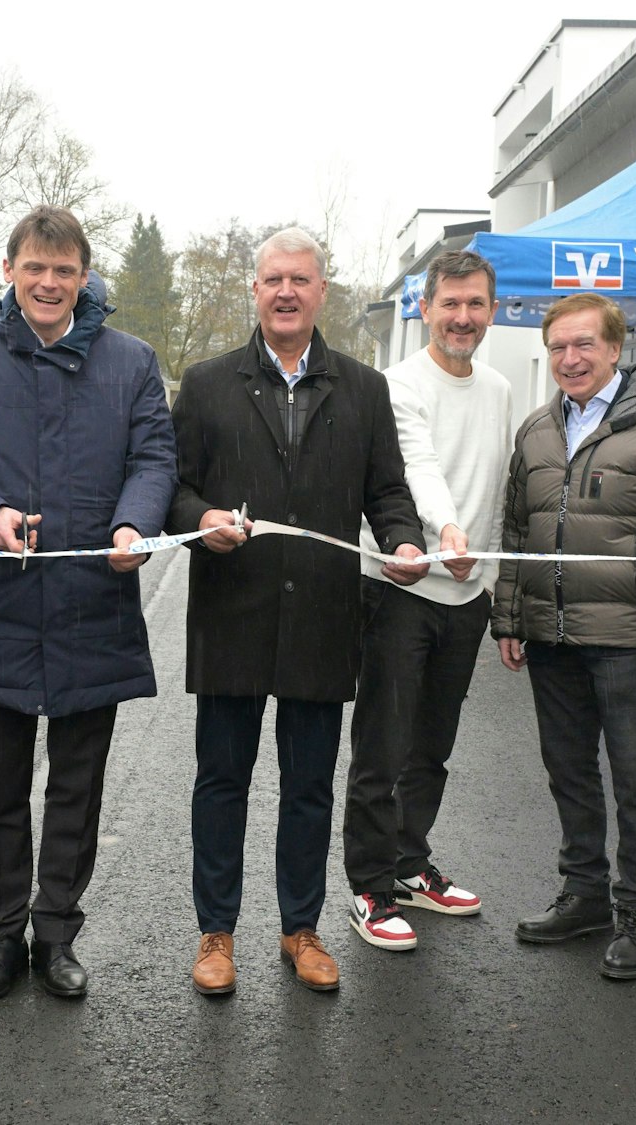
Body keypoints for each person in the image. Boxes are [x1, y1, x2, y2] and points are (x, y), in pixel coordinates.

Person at [0, 205, 176, 1004]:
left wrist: (135, 520)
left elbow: (155, 456)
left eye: (64, 270)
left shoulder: (131, 363)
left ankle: (56, 933)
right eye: (35, 267)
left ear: (85, 277)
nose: (49, 282)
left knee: (77, 787)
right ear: (10, 272)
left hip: (96, 602)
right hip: (0, 606)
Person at [167, 227, 428, 995]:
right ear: (255, 289)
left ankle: (300, 928)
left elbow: (387, 494)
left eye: (301, 280)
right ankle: (216, 932)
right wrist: (201, 516)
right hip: (231, 615)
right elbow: (172, 489)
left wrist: (405, 543)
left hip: (322, 618)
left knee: (310, 784)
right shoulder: (207, 382)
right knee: (222, 780)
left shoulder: (364, 388)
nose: (286, 291)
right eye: (273, 278)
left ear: (323, 291)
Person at [491, 293, 636, 982]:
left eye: (584, 344)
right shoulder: (535, 430)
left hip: (627, 633)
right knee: (569, 770)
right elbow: (516, 533)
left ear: (615, 348)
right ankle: (586, 892)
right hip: (551, 635)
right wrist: (509, 617)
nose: (571, 358)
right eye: (559, 346)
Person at [343, 249, 512, 952]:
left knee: (433, 748)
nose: (463, 318)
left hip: (467, 597)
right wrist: (446, 530)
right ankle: (371, 888)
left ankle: (412, 866)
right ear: (425, 308)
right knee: (383, 746)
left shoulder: (501, 389)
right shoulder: (397, 385)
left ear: (492, 311)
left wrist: (495, 589)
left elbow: (497, 495)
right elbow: (418, 466)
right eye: (450, 304)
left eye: (475, 305)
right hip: (400, 588)